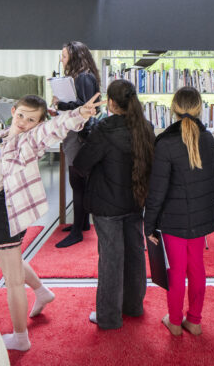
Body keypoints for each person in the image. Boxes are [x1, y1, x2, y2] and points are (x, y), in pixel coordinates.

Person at [0, 93, 101, 351]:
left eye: (31, 119)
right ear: (13, 111)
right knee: (9, 260)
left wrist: (78, 114)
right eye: (21, 115)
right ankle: (42, 291)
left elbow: (52, 129)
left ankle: (20, 336)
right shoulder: (4, 136)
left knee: (12, 278)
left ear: (37, 124)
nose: (24, 122)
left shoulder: (29, 140)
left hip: (7, 212)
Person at [73, 80, 154, 330]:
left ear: (110, 103)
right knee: (135, 253)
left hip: (107, 204)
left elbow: (81, 163)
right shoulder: (146, 127)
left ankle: (108, 316)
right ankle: (133, 305)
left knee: (110, 258)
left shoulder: (105, 129)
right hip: (136, 201)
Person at [145, 87, 214, 336]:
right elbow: (212, 182)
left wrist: (148, 224)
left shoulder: (165, 143)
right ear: (199, 108)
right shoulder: (208, 139)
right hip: (200, 218)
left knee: (176, 270)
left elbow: (157, 190)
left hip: (172, 221)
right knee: (196, 267)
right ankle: (194, 321)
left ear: (172, 109)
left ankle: (174, 322)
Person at [53, 41, 101, 248]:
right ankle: (81, 225)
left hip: (80, 135)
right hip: (76, 132)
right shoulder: (84, 76)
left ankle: (77, 231)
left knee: (77, 182)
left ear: (74, 56)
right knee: (78, 182)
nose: (62, 60)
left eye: (64, 56)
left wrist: (60, 104)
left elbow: (86, 107)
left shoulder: (83, 77)